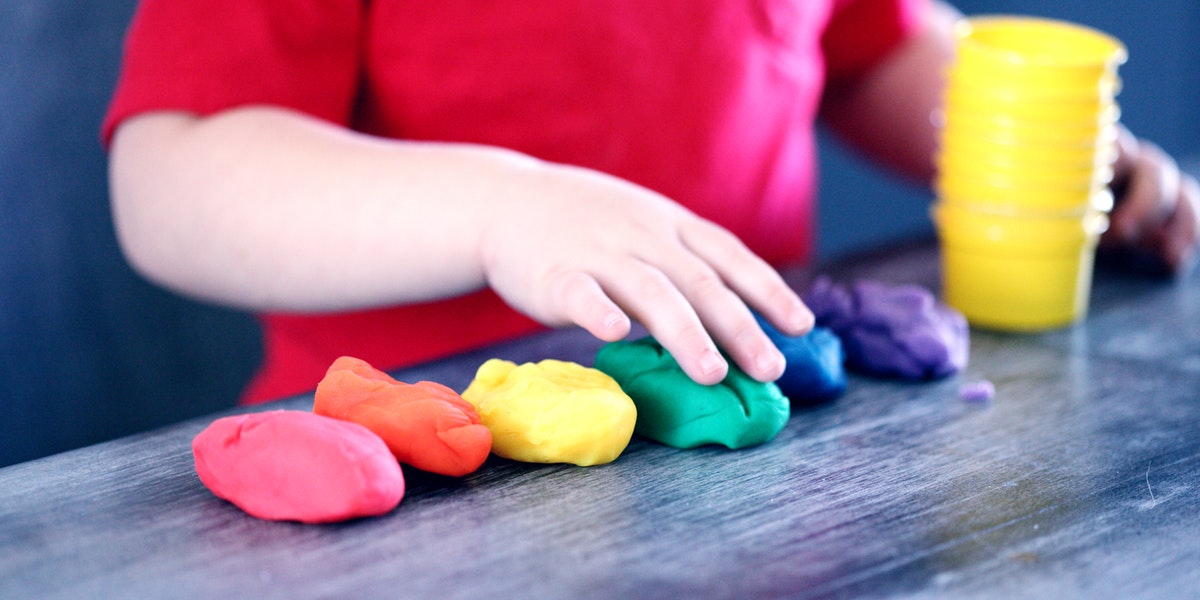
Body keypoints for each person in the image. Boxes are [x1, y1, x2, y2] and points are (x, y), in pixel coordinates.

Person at [103, 0, 1198, 404]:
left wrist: (1056, 158)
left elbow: (865, 51)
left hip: (751, 444)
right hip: (405, 468)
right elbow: (174, 174)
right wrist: (501, 211)